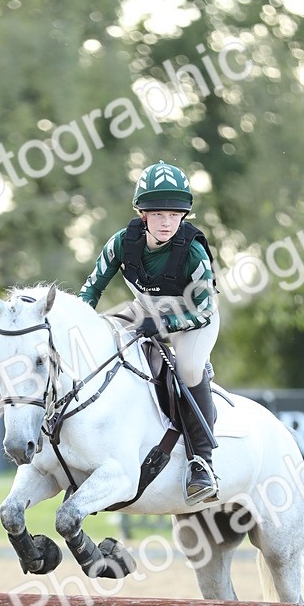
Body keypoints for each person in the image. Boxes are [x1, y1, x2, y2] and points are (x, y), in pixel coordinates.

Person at [78, 160, 219, 501]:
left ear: (184, 216)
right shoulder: (121, 243)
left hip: (194, 317)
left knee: (186, 368)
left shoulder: (194, 252)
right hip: (146, 310)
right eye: (157, 214)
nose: (166, 222)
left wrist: (162, 324)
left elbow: (202, 310)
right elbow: (91, 291)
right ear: (142, 214)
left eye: (174, 215)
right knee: (106, 333)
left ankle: (202, 463)